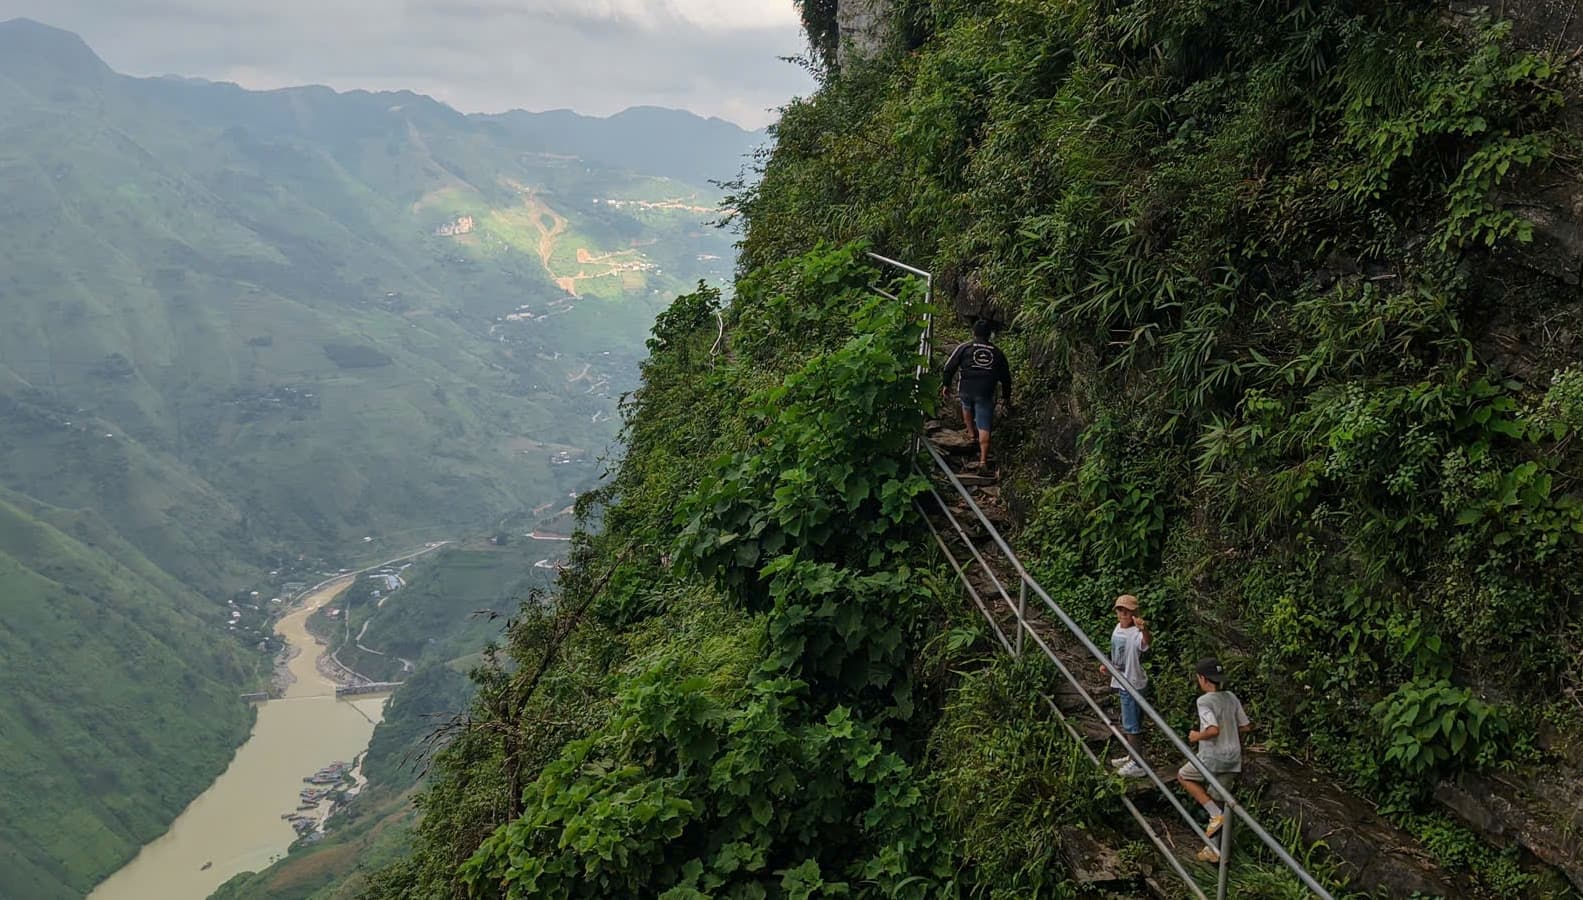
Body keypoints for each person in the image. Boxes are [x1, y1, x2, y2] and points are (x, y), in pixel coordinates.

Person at [1179, 657, 1252, 862]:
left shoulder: (1204, 701)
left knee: (1183, 776)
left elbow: (1212, 730)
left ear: (1203, 679)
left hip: (1212, 756)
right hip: (1233, 757)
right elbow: (1246, 726)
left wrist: (1196, 736)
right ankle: (1215, 850)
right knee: (1220, 798)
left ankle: (1213, 815)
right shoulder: (1230, 697)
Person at [940, 319, 1012, 471]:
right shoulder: (997, 352)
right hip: (986, 390)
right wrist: (1006, 396)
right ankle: (983, 461)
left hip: (967, 387)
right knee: (985, 423)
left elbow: (949, 367)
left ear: (973, 333)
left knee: (966, 405)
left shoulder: (964, 347)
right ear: (989, 335)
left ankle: (972, 434)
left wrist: (946, 384)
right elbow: (1006, 377)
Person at [1100, 594, 1151, 777]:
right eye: (1120, 610)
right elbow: (1117, 652)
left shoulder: (1135, 633)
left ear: (1134, 613)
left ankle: (1138, 764)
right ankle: (1132, 756)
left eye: (1127, 611)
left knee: (1131, 724)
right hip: (1122, 680)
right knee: (1129, 721)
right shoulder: (1117, 629)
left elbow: (1145, 643)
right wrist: (1109, 665)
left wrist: (1144, 630)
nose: (1123, 613)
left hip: (1132, 683)